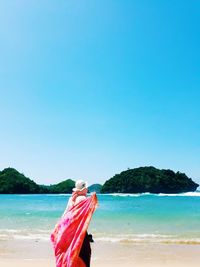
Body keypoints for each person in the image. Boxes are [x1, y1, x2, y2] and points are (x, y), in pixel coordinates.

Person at [51, 179, 98, 267]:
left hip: (69, 232)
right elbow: (88, 212)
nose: (87, 190)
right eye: (86, 188)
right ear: (83, 189)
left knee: (71, 253)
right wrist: (92, 198)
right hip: (79, 233)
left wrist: (58, 226)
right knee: (84, 255)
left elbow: (66, 214)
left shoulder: (71, 198)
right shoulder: (83, 199)